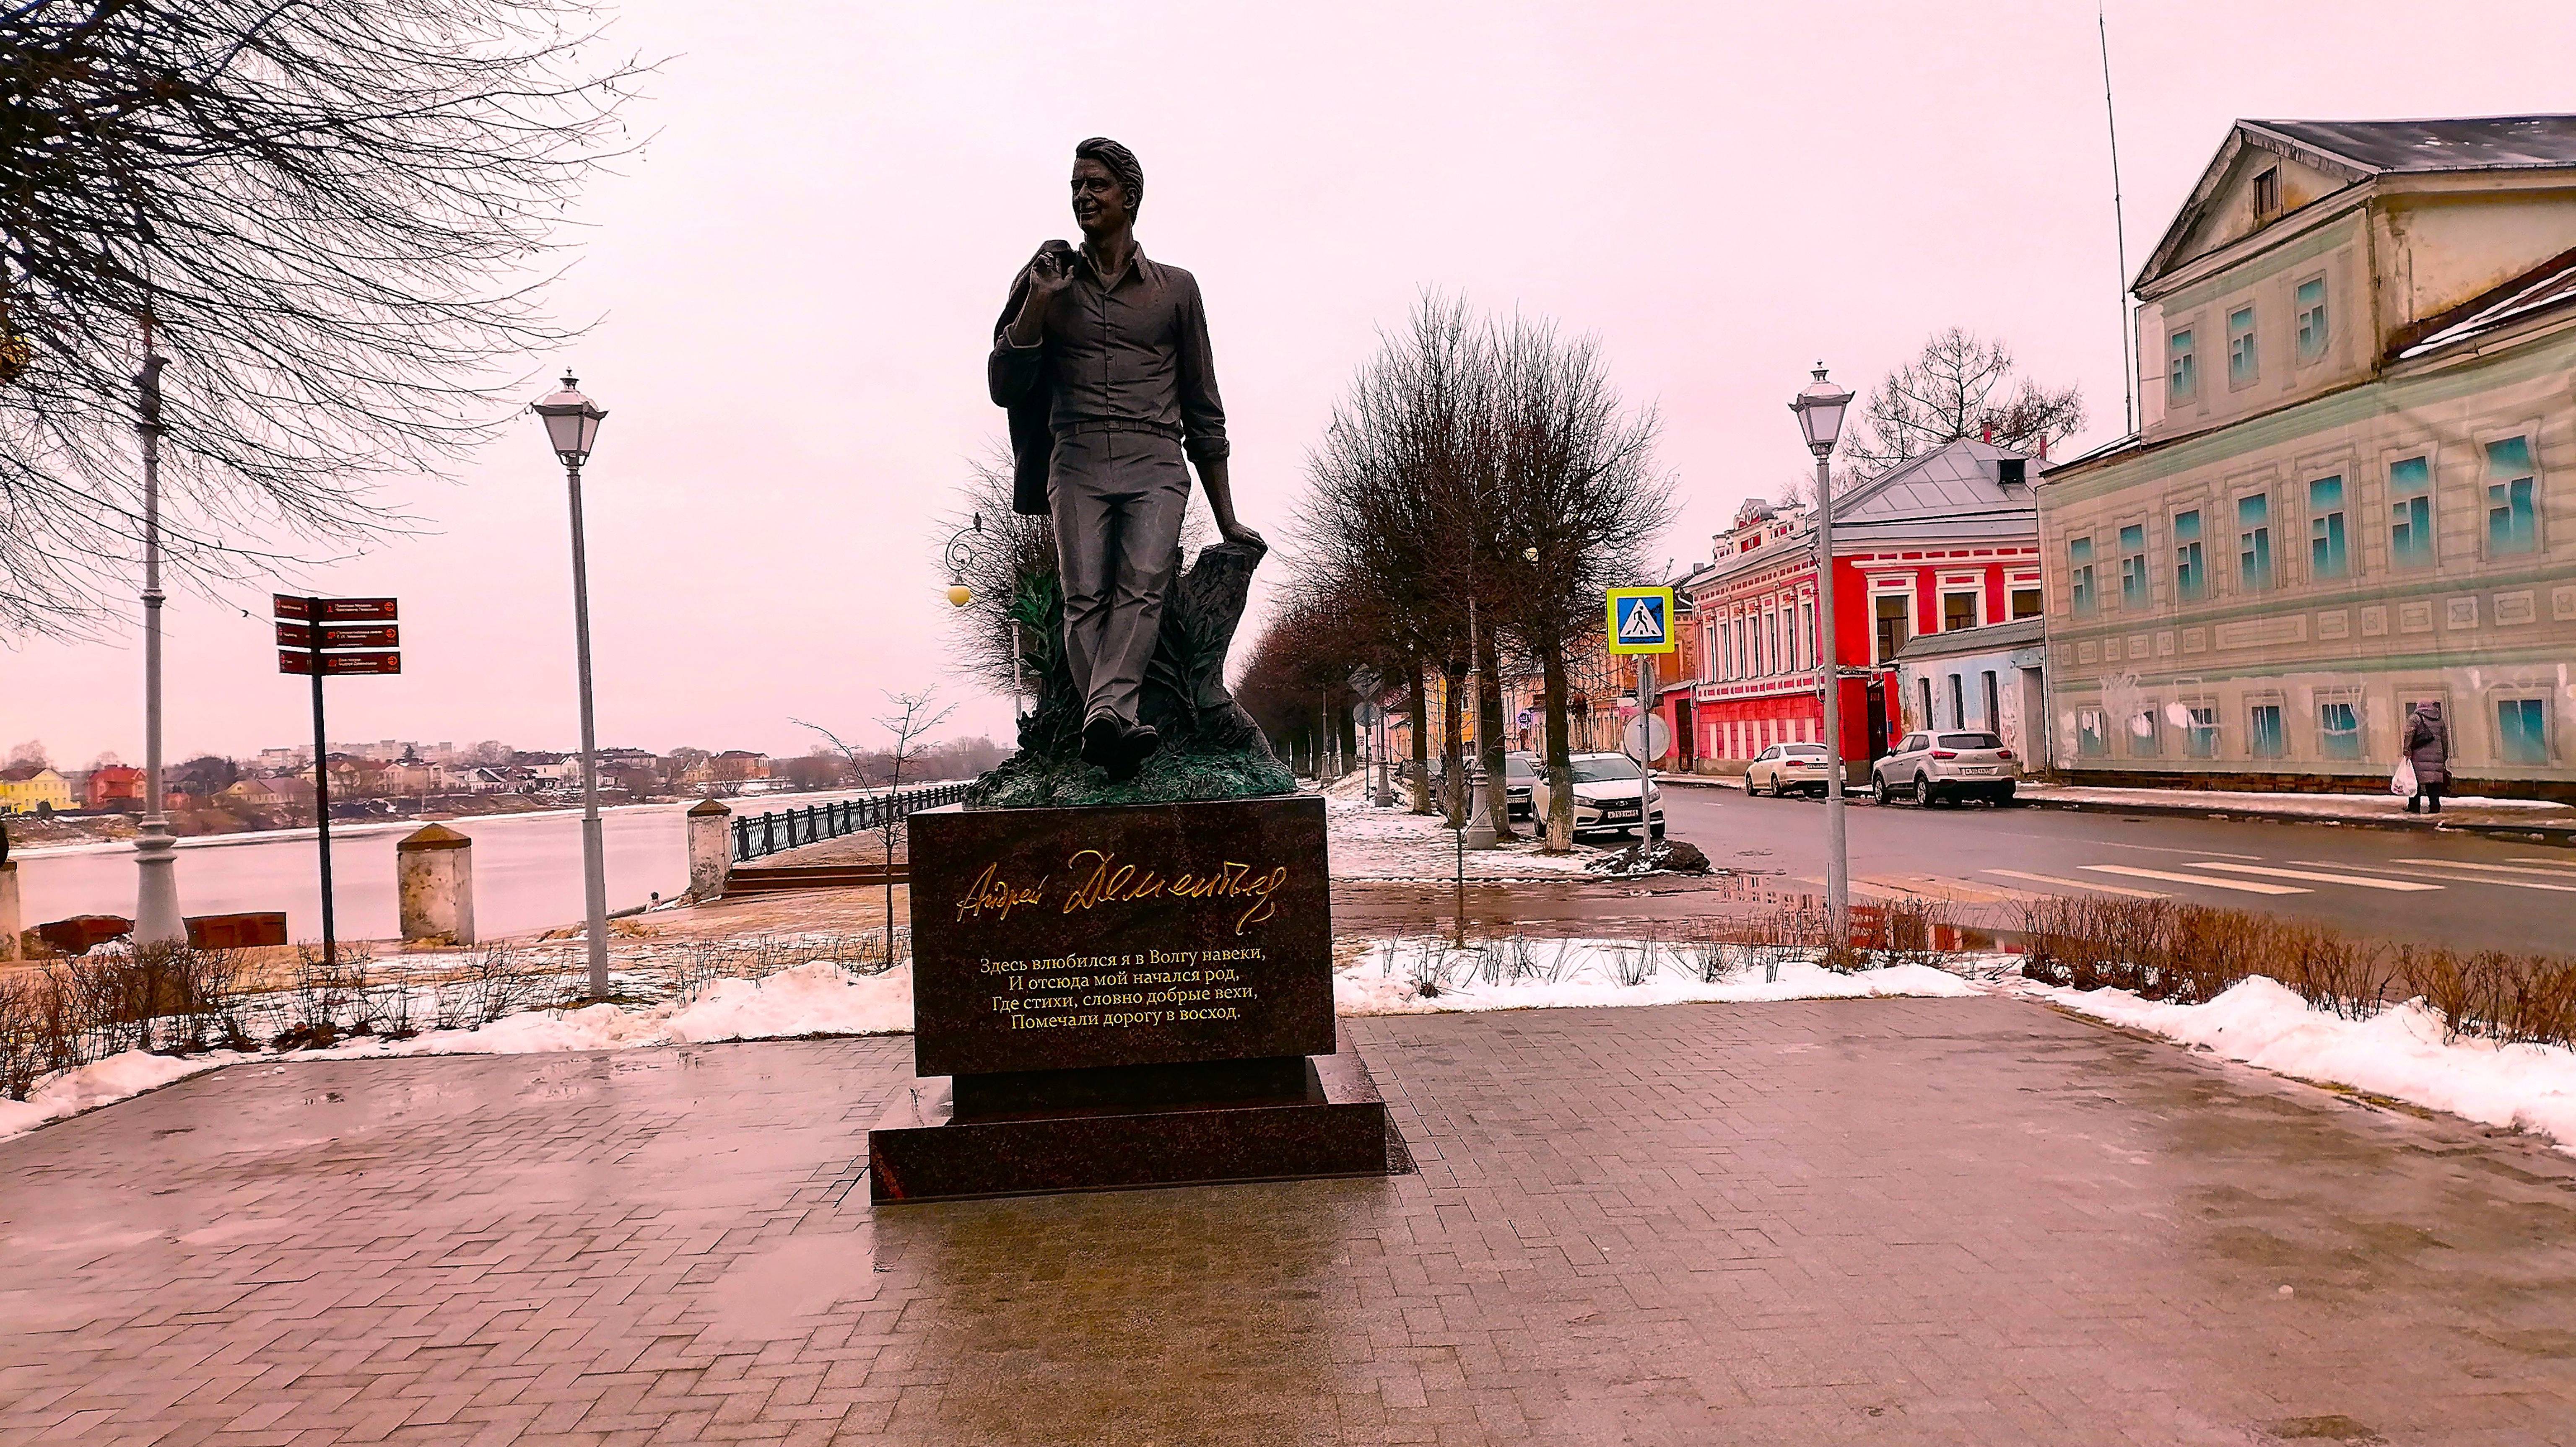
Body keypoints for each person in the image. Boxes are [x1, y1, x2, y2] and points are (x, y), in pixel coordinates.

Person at [987, 137, 1263, 782]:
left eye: (1097, 186)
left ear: (1129, 198)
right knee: (1083, 596)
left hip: (1155, 461)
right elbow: (1005, 383)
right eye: (1077, 186)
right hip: (1076, 458)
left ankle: (1104, 715)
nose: (1083, 196)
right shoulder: (1047, 281)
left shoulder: (1177, 290)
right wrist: (1037, 301)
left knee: (1143, 586)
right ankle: (1110, 721)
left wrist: (1227, 517)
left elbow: (1204, 408)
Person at [2403, 700, 2450, 814]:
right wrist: (2444, 755)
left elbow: (2409, 735)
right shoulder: (2439, 720)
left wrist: (2406, 750)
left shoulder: (2415, 718)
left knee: (2415, 782)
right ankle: (2435, 806)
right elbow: (2445, 739)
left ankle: (2414, 807)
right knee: (2433, 783)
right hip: (2437, 755)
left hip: (2418, 756)